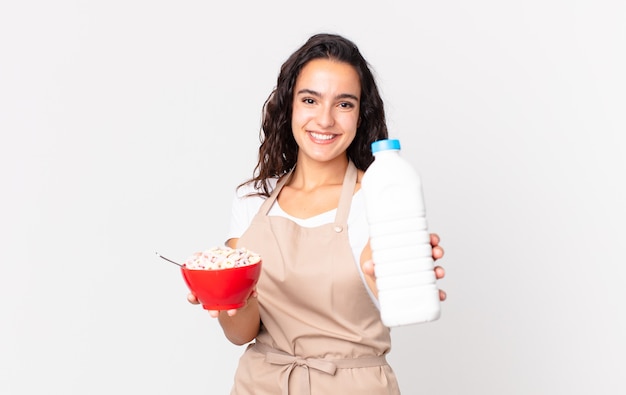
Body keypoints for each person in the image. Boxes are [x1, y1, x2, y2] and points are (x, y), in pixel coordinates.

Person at [188, 33, 447, 394]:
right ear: (289, 106)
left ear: (361, 115)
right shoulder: (251, 199)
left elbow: (396, 299)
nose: (324, 120)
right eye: (310, 100)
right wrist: (227, 298)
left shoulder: (378, 200)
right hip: (262, 384)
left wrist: (403, 273)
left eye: (344, 104)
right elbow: (242, 333)